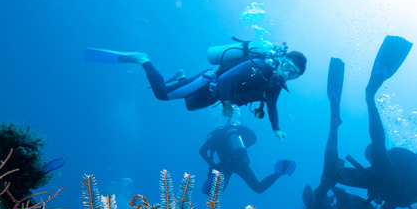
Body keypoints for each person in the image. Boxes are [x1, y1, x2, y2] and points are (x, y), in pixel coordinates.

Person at [324, 37, 417, 209]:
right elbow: (413, 203)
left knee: (331, 172)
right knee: (378, 146)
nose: (369, 160)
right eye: (369, 159)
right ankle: (370, 96)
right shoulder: (413, 194)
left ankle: (335, 121)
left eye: (368, 158)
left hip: (379, 180)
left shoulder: (415, 197)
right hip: (387, 174)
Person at [84, 42, 307, 140]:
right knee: (162, 95)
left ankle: (179, 78)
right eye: (287, 67)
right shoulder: (258, 65)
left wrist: (276, 129)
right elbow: (227, 78)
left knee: (189, 105)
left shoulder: (275, 84)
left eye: (293, 74)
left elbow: (272, 105)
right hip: (209, 81)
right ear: (280, 60)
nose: (287, 74)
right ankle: (143, 59)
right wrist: (228, 105)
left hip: (215, 95)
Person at [288, 58, 375, 209]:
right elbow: (341, 207)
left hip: (328, 181)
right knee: (331, 163)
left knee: (330, 162)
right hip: (329, 181)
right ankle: (334, 123)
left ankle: (334, 123)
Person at [199, 123, 295, 194]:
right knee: (258, 188)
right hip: (242, 160)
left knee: (209, 190)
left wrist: (212, 164)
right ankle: (279, 172)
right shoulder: (235, 135)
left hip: (228, 163)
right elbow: (254, 138)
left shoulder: (215, 137)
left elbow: (202, 151)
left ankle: (224, 170)